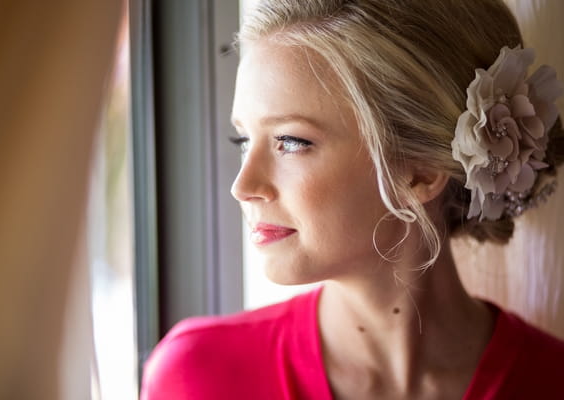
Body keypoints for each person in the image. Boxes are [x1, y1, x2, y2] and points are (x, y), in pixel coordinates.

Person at [141, 0, 564, 398]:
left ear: (421, 171)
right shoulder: (198, 377)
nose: (242, 185)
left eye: (290, 141)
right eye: (243, 139)